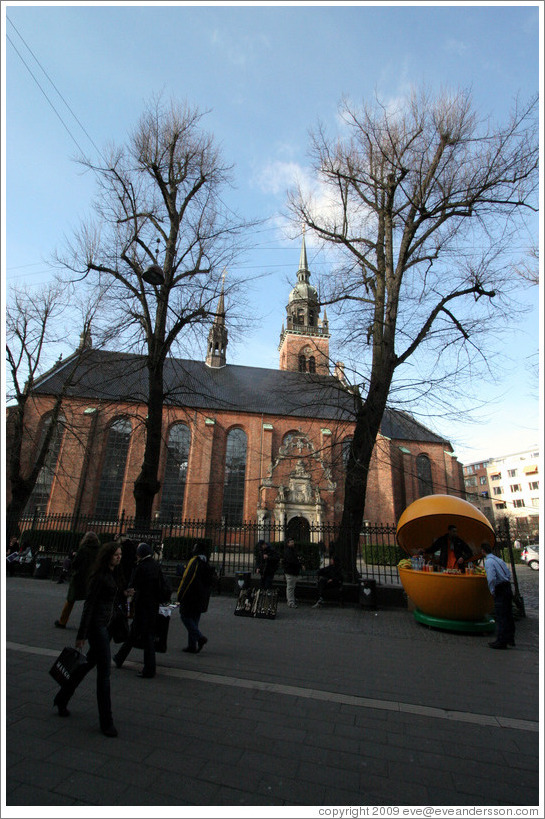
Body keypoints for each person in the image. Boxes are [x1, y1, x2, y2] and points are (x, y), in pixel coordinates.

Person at [52, 541, 125, 737]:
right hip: (97, 628)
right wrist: (81, 635)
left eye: (120, 554)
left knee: (85, 666)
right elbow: (89, 607)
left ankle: (62, 697)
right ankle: (106, 721)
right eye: (116, 554)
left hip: (107, 626)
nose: (119, 557)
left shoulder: (114, 573)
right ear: (107, 556)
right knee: (104, 674)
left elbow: (111, 598)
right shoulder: (99, 576)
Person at [113, 542, 170, 678]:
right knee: (134, 633)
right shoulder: (156, 566)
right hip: (152, 606)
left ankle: (149, 669)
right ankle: (119, 657)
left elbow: (133, 585)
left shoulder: (141, 567)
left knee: (147, 637)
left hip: (142, 606)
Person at [54, 532, 101, 628]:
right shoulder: (98, 550)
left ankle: (63, 621)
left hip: (79, 577)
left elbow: (75, 564)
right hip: (92, 578)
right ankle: (87, 624)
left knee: (70, 600)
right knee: (89, 602)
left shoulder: (83, 549)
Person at [177, 543, 216, 654]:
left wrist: (180, 594)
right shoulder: (205, 562)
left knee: (185, 617)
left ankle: (200, 638)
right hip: (202, 597)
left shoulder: (195, 561)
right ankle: (192, 646)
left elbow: (187, 578)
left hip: (191, 596)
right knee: (194, 620)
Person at [481, 541, 516, 650]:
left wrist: (492, 590)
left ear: (483, 551)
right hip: (507, 586)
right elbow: (507, 573)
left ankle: (501, 640)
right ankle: (510, 638)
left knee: (501, 616)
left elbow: (491, 578)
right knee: (508, 615)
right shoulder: (499, 560)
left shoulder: (489, 562)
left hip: (500, 588)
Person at [283, 538, 304, 608]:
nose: (293, 543)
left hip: (292, 571)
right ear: (288, 543)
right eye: (291, 542)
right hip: (290, 571)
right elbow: (292, 561)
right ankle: (291, 602)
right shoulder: (288, 551)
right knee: (290, 588)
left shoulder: (292, 551)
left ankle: (291, 600)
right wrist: (299, 565)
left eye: (293, 542)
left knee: (291, 587)